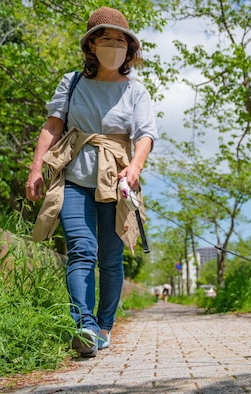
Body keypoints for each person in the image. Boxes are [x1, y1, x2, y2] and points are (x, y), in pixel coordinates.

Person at [25, 6, 158, 358]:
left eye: (121, 40)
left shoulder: (135, 91)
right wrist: (36, 168)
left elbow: (145, 135)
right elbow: (52, 126)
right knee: (81, 251)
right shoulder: (72, 83)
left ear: (130, 50)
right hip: (73, 179)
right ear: (91, 45)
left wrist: (135, 167)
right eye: (106, 38)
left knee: (111, 260)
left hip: (117, 182)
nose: (114, 45)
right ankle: (83, 324)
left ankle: (103, 326)